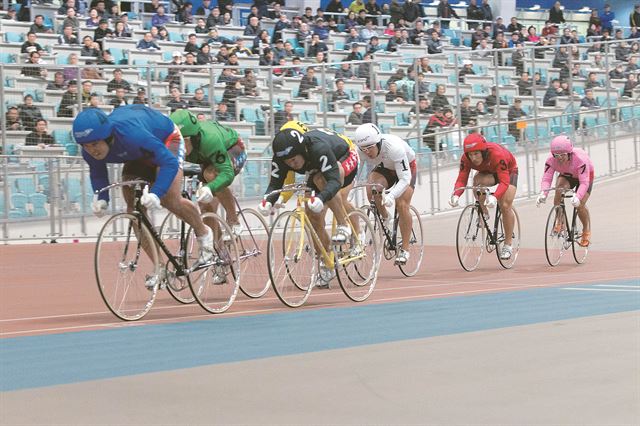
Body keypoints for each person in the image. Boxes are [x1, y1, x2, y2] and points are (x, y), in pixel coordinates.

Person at [72, 106, 214, 275]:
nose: (92, 150)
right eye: (86, 146)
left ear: (107, 136)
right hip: (138, 152)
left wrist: (157, 192)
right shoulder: (89, 151)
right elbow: (97, 172)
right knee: (134, 211)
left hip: (166, 139)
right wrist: (102, 197)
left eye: (95, 144)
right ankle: (160, 267)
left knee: (169, 199)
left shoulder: (132, 135)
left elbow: (169, 162)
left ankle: (204, 233)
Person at [259, 123, 360, 285]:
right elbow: (275, 183)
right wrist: (267, 201)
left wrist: (322, 197)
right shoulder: (281, 158)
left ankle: (344, 225)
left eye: (293, 160)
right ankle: (327, 261)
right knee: (311, 215)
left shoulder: (317, 148)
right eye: (287, 162)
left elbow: (333, 181)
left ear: (302, 150)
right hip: (315, 166)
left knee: (323, 181)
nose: (291, 164)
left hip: (345, 155)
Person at [170, 110, 246, 239]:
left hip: (232, 148)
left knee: (211, 175)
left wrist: (209, 188)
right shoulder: (178, 144)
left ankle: (233, 220)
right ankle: (219, 250)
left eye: (181, 142)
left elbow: (227, 173)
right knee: (205, 206)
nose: (178, 147)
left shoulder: (210, 139)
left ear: (191, 138)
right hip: (207, 157)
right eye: (175, 142)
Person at [353, 123, 416, 264]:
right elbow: (355, 176)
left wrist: (391, 195)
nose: (367, 152)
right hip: (386, 166)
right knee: (372, 189)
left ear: (378, 142)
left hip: (406, 168)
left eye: (370, 148)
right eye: (363, 149)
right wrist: (349, 193)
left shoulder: (394, 148)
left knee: (401, 204)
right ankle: (387, 218)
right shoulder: (361, 151)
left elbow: (405, 179)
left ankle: (405, 249)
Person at [449, 133, 518, 260]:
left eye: (476, 154)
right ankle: (483, 211)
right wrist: (456, 194)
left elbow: (504, 182)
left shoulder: (496, 154)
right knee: (477, 181)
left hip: (508, 171)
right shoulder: (465, 159)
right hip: (488, 172)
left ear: (483, 151)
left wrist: (495, 197)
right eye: (470, 154)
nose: (473, 158)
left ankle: (508, 245)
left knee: (505, 205)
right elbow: (462, 178)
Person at [536, 135, 593, 247]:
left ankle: (586, 230)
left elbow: (584, 183)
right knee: (558, 190)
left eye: (563, 154)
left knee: (580, 204)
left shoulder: (580, 160)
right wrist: (543, 193)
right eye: (557, 155)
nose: (560, 158)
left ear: (569, 152)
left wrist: (578, 196)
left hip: (585, 178)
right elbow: (547, 178)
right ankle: (560, 221)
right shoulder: (550, 160)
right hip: (567, 175)